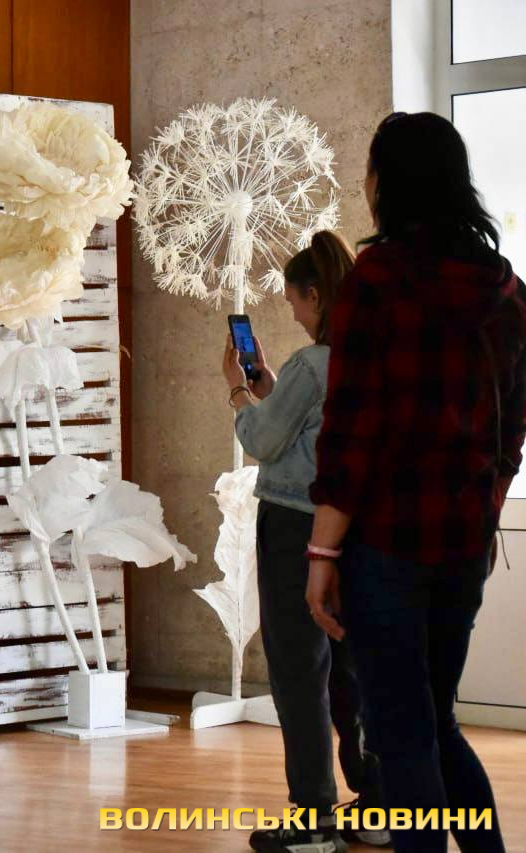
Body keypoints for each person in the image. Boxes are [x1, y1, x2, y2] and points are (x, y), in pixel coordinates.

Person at [307, 112, 525, 853]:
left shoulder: (375, 284)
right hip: (462, 544)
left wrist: (322, 554)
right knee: (435, 719)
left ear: (388, 183)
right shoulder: (506, 288)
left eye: (371, 169)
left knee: (400, 732)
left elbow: (351, 432)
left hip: (385, 547)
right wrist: (486, 507)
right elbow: (512, 430)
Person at [224, 231, 388, 853]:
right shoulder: (370, 358)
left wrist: (238, 391)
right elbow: (312, 432)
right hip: (354, 529)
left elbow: (261, 442)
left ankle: (313, 818)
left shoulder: (311, 364)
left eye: (293, 300)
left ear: (315, 296)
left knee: (299, 672)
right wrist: (271, 392)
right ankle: (378, 805)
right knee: (351, 670)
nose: (291, 311)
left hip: (296, 527)